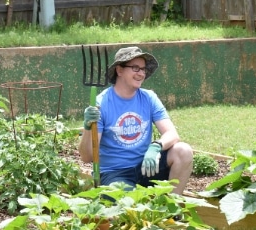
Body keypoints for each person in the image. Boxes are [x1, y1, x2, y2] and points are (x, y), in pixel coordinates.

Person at [79, 46, 193, 194]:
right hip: (115, 174)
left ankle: (172, 209)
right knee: (128, 204)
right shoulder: (101, 104)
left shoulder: (149, 97)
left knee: (183, 151)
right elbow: (87, 157)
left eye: (143, 69)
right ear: (119, 70)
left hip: (146, 167)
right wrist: (88, 128)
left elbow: (172, 134)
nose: (141, 74)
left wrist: (156, 146)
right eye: (135, 68)